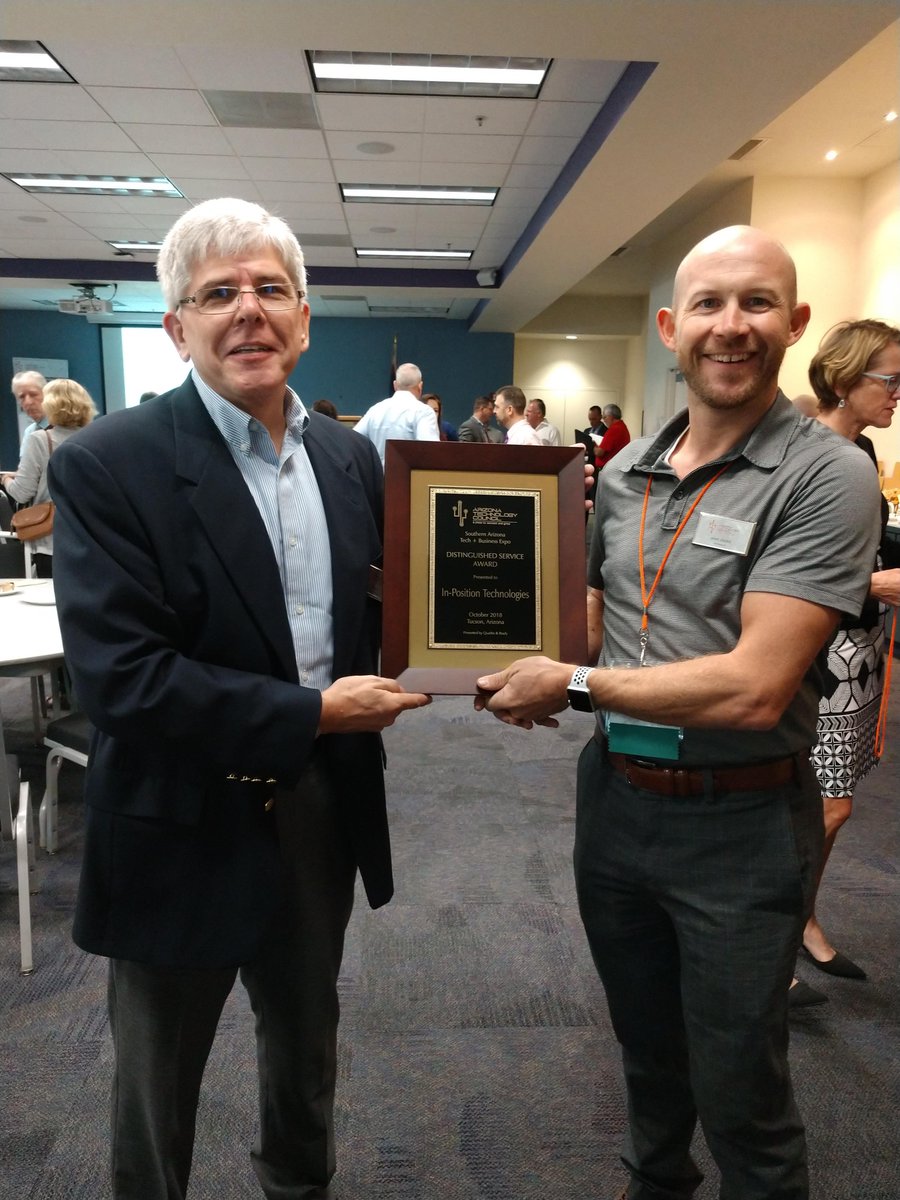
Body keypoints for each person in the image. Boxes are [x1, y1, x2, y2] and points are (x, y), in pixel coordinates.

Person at [475, 226, 881, 1200]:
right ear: (670, 326)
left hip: (740, 823)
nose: (730, 327)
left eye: (755, 303)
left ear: (795, 322)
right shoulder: (622, 474)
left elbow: (755, 684)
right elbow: (598, 626)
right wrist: (457, 628)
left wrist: (567, 685)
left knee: (740, 1085)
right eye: (708, 305)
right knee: (648, 1054)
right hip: (617, 803)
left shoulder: (829, 478)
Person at [47, 196, 431, 1200]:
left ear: (305, 317)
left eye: (270, 288)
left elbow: (390, 619)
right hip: (178, 817)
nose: (248, 310)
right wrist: (315, 714)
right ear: (177, 328)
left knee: (305, 1054)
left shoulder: (353, 462)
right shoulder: (108, 463)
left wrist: (479, 652)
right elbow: (122, 680)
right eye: (218, 293)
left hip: (317, 810)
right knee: (156, 1086)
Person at [798, 319, 900, 989]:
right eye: (889, 380)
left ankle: (796, 921)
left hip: (857, 649)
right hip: (819, 651)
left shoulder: (858, 452)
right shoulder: (804, 459)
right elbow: (777, 577)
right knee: (822, 807)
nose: (897, 394)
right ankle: (777, 936)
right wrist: (875, 583)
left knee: (830, 806)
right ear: (843, 378)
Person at [1, 378, 96, 578]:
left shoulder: (39, 439)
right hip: (91, 536)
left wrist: (5, 480)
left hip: (51, 539)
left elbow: (22, 491)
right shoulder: (96, 436)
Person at [353, 362, 439, 463]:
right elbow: (431, 451)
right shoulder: (424, 412)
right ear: (420, 386)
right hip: (408, 477)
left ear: (395, 385)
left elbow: (353, 441)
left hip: (375, 477)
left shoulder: (375, 410)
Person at [11, 369, 48, 453]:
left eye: (33, 394)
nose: (28, 402)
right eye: (22, 397)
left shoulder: (63, 428)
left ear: (46, 394)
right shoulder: (30, 431)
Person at [594, 403, 630, 469]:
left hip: (609, 469)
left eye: (605, 417)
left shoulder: (614, 429)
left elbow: (599, 452)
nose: (604, 420)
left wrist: (594, 447)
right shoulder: (622, 426)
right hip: (617, 467)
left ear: (611, 416)